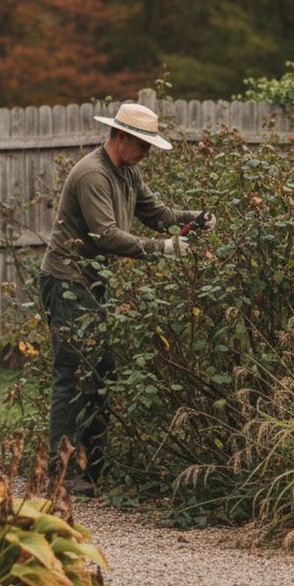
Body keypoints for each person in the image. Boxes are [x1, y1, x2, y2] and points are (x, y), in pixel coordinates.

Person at [40, 102, 215, 495]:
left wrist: (196, 218)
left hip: (92, 282)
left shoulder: (128, 173)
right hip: (67, 281)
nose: (149, 152)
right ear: (121, 137)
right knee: (71, 375)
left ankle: (93, 468)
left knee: (101, 370)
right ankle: (60, 476)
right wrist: (165, 249)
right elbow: (106, 236)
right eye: (144, 144)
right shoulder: (92, 174)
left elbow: (157, 214)